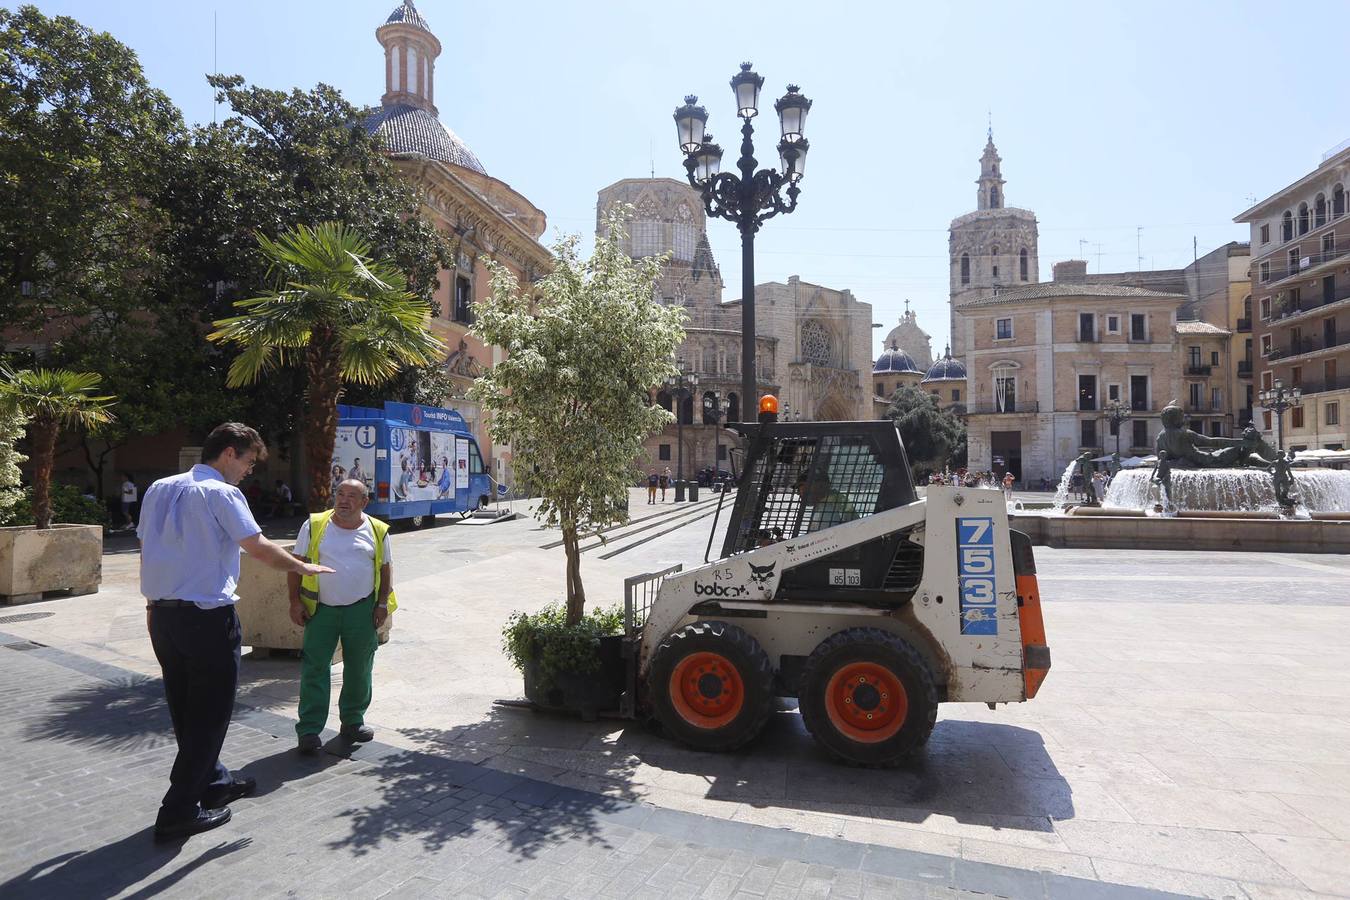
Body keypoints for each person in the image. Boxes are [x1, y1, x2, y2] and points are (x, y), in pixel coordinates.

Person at [139, 423, 332, 842]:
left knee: (185, 706)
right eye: (247, 461)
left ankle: (214, 782)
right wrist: (302, 566)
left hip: (163, 616)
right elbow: (257, 545)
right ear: (228, 453)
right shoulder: (222, 493)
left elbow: (150, 548)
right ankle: (178, 811)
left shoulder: (159, 488)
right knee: (208, 715)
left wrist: (154, 605)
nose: (248, 471)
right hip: (207, 618)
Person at [289, 479, 395, 754]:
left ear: (364, 502)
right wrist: (294, 601)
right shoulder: (313, 525)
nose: (343, 500)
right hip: (321, 610)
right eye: (340, 493)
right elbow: (296, 564)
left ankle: (353, 721)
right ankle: (310, 730)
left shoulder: (377, 530)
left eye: (352, 496)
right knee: (315, 668)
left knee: (360, 668)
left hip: (361, 610)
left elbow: (385, 569)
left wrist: (382, 603)